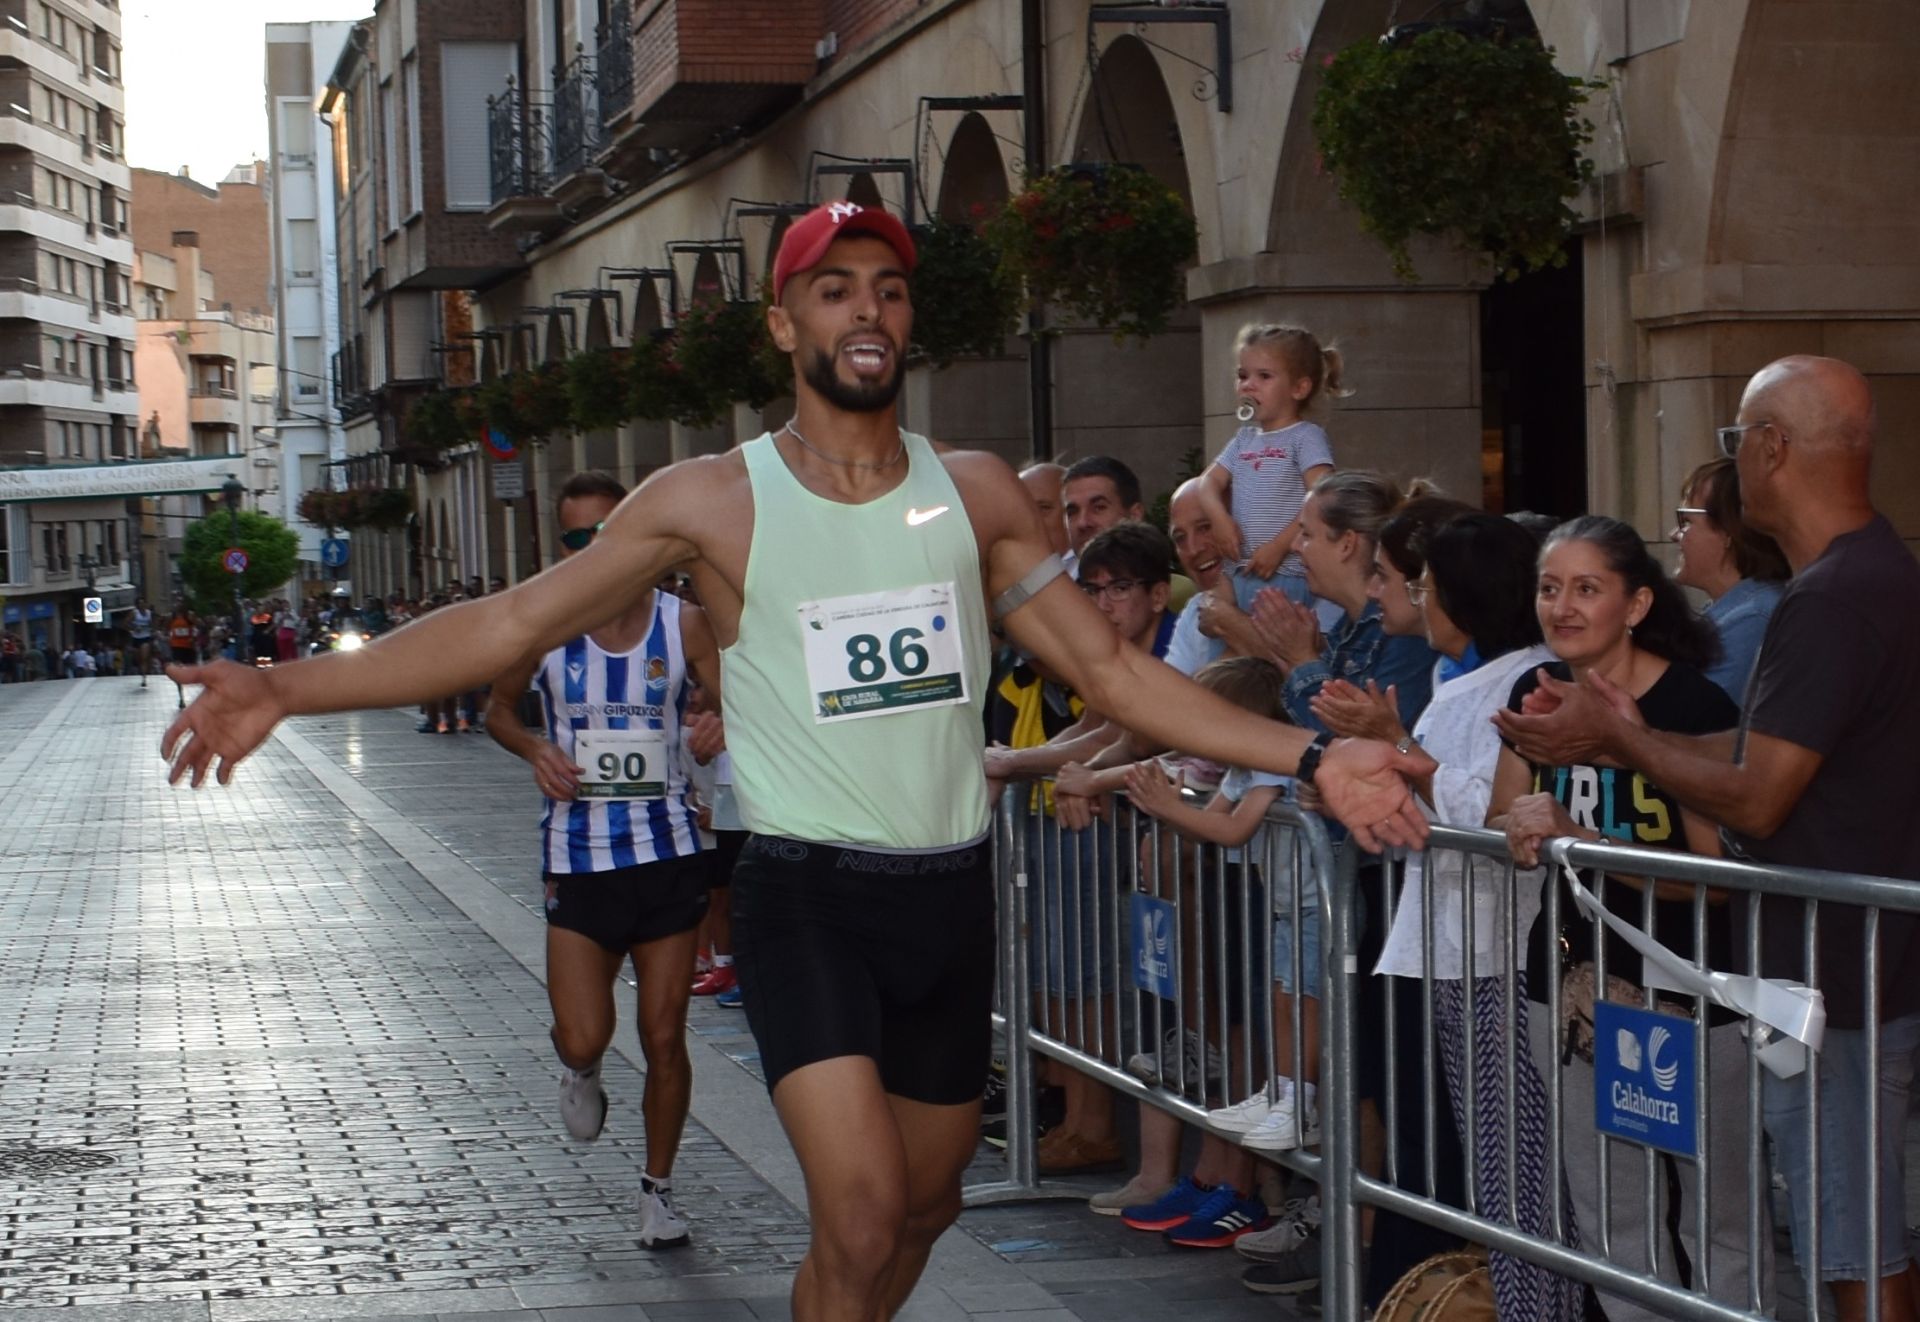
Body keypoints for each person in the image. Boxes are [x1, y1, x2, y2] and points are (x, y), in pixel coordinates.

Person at [163, 201, 1433, 1322]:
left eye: (887, 288)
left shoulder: (977, 491)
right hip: (807, 896)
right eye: (835, 289)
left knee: (924, 1209)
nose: (866, 310)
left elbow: (1117, 676)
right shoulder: (711, 499)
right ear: (785, 326)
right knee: (869, 1207)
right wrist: (285, 684)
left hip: (948, 896)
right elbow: (508, 623)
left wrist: (1314, 752)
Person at [1497, 356, 1920, 1322]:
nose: (1734, 465)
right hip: (1840, 970)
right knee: (1844, 1231)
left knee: (1849, 1241)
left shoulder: (1835, 595)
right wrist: (1627, 736)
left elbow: (1760, 799)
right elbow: (1773, 753)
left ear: (1772, 450)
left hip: (1839, 977)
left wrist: (1620, 738)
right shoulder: (1866, 573)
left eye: (1737, 442)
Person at [1489, 515, 1770, 1321]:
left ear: (1638, 603)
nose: (1563, 607)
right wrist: (1516, 824)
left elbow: (1714, 879)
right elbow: (1505, 813)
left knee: (1718, 1215)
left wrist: (1585, 842)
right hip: (1574, 988)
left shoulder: (1692, 701)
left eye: (1587, 588)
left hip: (1692, 995)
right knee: (1613, 1212)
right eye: (1550, 587)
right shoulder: (1535, 692)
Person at [1322, 511, 1576, 1319]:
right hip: (1459, 948)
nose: (1420, 601)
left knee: (1521, 1170)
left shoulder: (1527, 683)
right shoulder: (1472, 680)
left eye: (1427, 586)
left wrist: (1409, 759)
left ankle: (1540, 1306)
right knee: (1497, 1167)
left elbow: (1496, 814)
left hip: (1499, 952)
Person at [483, 470, 718, 1249]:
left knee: (663, 1034)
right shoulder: (546, 627)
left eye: (606, 534)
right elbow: (497, 709)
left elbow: (734, 699)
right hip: (577, 856)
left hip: (669, 851)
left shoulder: (684, 625)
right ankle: (580, 1071)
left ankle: (658, 1192)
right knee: (584, 1034)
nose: (594, 550)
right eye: (578, 539)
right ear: (563, 548)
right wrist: (534, 746)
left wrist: (717, 720)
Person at [1119, 656, 1296, 1250]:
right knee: (1235, 1037)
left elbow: (1231, 829)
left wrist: (1167, 807)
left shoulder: (1272, 766)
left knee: (1252, 1045)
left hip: (1283, 913)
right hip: (1255, 905)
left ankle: (1240, 1189)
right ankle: (1211, 1174)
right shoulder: (1239, 771)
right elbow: (1210, 820)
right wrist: (1166, 804)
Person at [1196, 324, 1342, 615]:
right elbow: (1206, 484)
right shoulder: (1243, 439)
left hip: (1286, 574)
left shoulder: (1305, 437)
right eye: (1242, 376)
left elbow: (1323, 496)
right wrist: (1219, 518)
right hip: (1239, 572)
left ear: (1299, 388)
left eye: (1264, 376)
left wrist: (1280, 546)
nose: (1248, 385)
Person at [1671, 455, 1789, 702]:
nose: (1675, 534)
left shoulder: (1753, 618)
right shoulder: (1731, 611)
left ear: (1727, 531)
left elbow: (1692, 723)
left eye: (1686, 521)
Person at [129, 597, 155, 687]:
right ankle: (142, 671)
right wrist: (134, 628)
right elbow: (125, 624)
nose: (142, 605)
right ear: (137, 605)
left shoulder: (149, 613)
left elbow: (152, 625)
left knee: (144, 657)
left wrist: (151, 629)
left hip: (146, 637)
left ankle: (144, 678)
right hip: (136, 638)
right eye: (140, 603)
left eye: (143, 603)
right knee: (138, 659)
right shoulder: (134, 613)